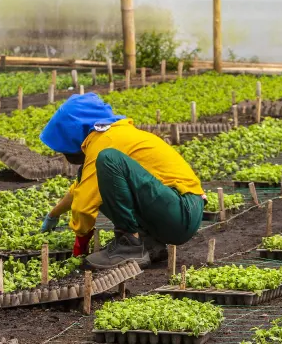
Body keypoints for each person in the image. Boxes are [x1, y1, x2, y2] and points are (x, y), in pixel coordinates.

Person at [39, 93, 206, 269]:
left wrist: (80, 244)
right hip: (179, 209)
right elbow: (81, 188)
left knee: (108, 160)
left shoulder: (105, 142)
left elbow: (83, 205)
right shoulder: (115, 134)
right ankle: (148, 244)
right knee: (94, 176)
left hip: (181, 211)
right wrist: (54, 214)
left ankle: (130, 246)